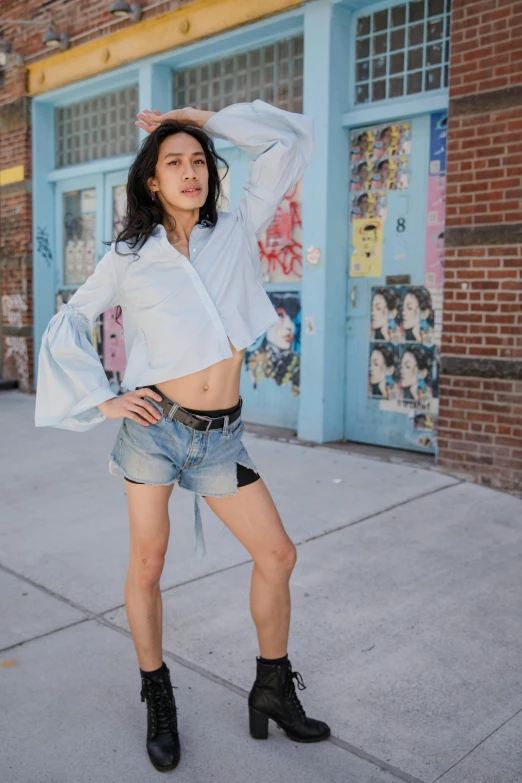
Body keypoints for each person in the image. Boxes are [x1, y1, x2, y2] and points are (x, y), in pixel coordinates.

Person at [34, 100, 330, 772]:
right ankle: (158, 695)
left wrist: (206, 119)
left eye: (199, 160)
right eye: (176, 162)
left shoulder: (235, 226)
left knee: (277, 554)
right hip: (155, 433)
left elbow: (289, 140)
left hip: (222, 437)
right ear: (151, 181)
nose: (191, 171)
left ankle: (272, 686)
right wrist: (104, 399)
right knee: (147, 564)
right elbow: (70, 321)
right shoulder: (129, 255)